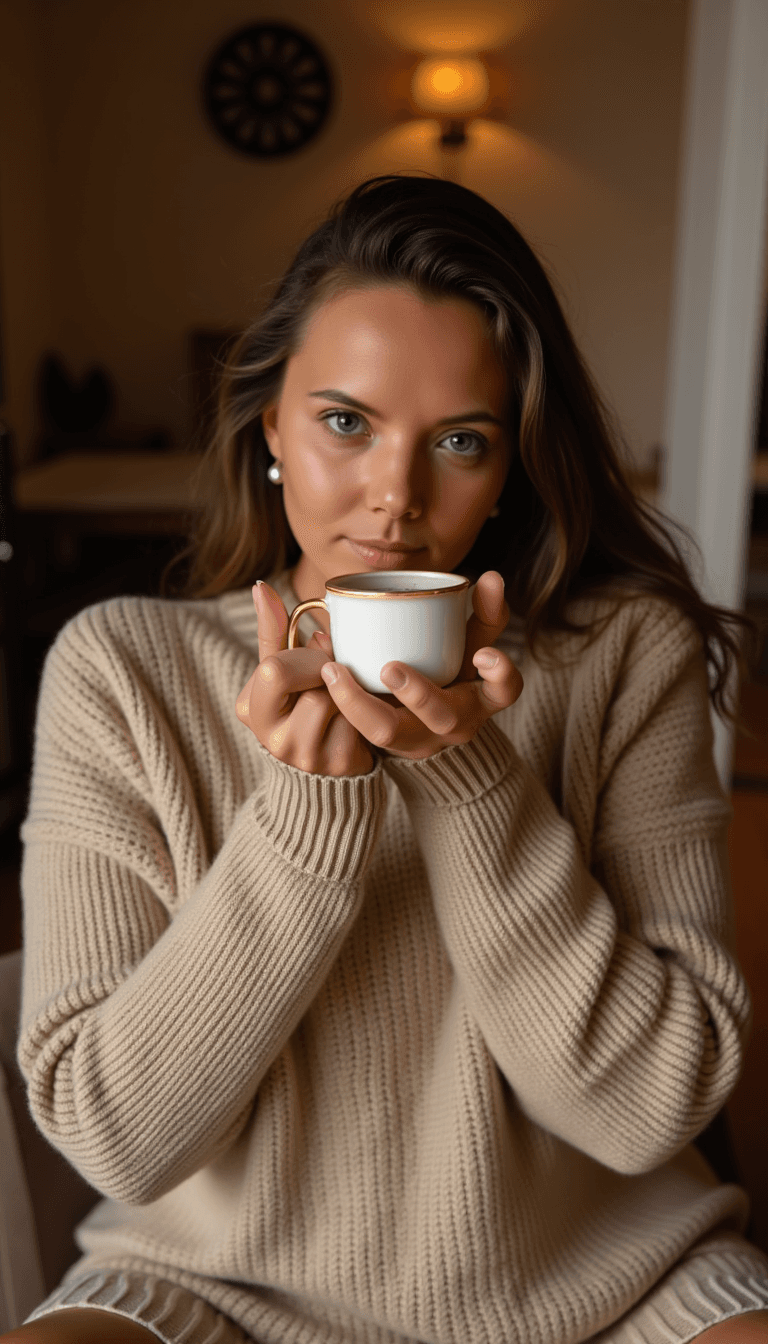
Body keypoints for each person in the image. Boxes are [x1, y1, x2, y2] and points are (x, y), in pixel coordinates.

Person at [9, 174, 768, 1344]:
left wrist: (476, 780)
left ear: (509, 463)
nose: (394, 498)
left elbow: (642, 1112)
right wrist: (306, 819)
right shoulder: (122, 670)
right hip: (216, 1287)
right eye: (346, 422)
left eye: (458, 441)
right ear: (270, 427)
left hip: (619, 1285)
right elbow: (121, 1135)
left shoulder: (625, 655)